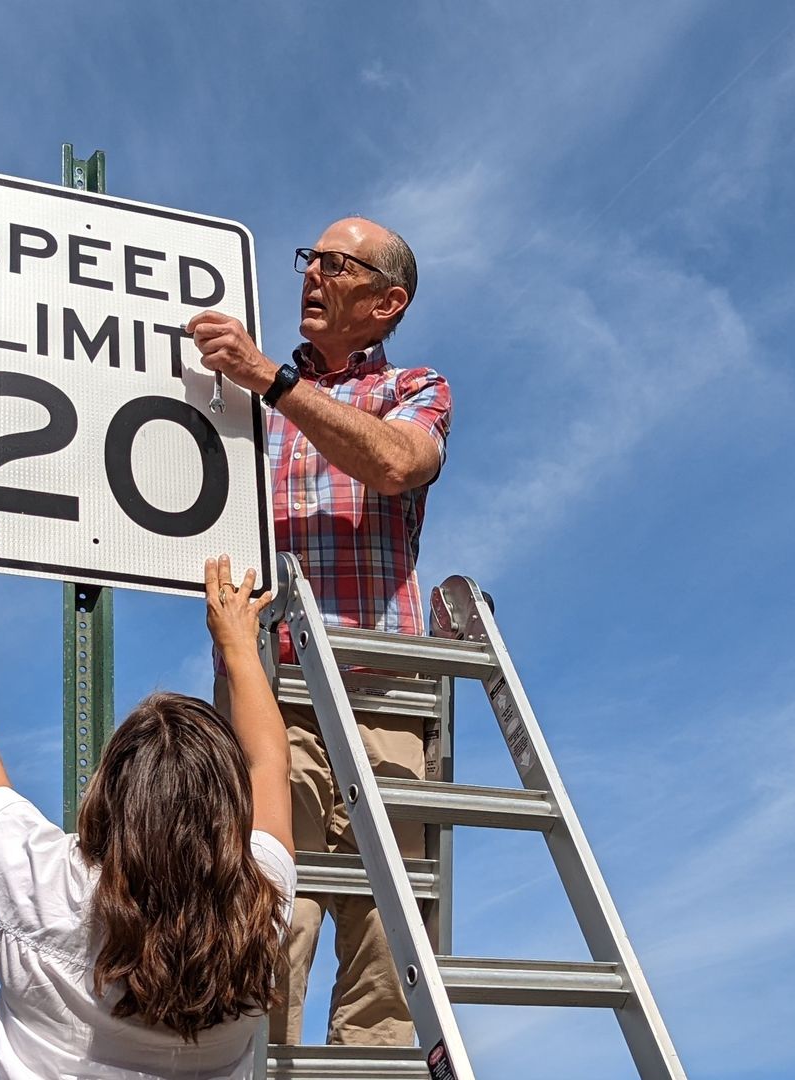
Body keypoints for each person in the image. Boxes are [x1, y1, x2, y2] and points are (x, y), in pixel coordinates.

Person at [0, 497, 296, 1080]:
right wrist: (238, 640)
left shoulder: (40, 886)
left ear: (109, 798)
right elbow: (269, 762)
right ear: (228, 813)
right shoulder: (260, 913)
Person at [186, 218, 453, 1047]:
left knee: (386, 953)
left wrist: (273, 383)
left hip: (384, 702)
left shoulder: (413, 387)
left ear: (387, 301)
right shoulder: (241, 400)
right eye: (311, 259)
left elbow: (398, 465)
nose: (311, 273)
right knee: (265, 928)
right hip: (272, 698)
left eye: (337, 264)